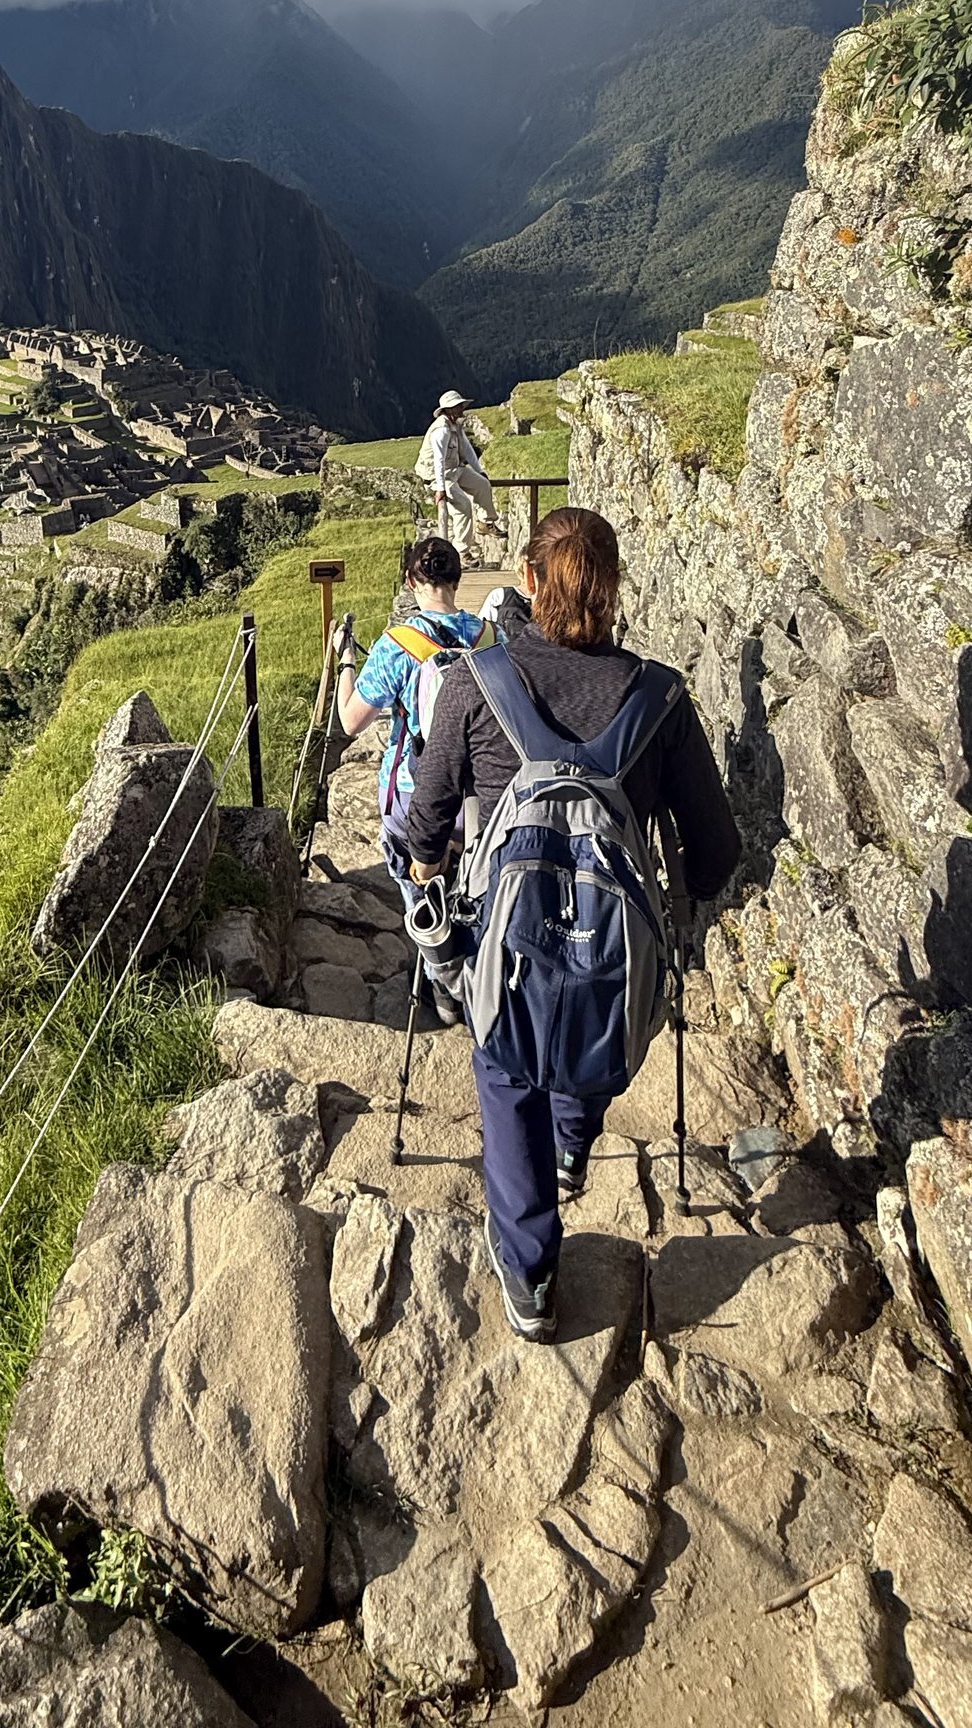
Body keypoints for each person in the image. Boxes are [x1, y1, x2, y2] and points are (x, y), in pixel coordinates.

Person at [403, 505, 739, 1342]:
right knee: (596, 1008)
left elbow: (426, 823)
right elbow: (715, 856)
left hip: (505, 943)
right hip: (610, 948)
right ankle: (573, 1138)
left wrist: (427, 886)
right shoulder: (660, 702)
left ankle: (530, 1272)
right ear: (615, 588)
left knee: (507, 1060)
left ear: (526, 581)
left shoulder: (478, 682)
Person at [334, 534, 490, 1023]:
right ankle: (483, 976)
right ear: (458, 580)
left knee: (419, 890)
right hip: (480, 798)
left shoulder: (398, 646)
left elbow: (350, 721)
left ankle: (443, 987)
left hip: (413, 797)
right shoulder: (490, 639)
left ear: (411, 582)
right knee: (476, 885)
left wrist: (346, 660)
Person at [415, 391, 504, 566]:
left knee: (482, 485)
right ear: (448, 410)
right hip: (436, 475)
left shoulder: (455, 426)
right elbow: (439, 461)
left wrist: (479, 471)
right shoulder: (441, 431)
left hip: (453, 469)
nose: (462, 409)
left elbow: (467, 449)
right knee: (463, 505)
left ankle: (485, 522)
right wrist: (441, 489)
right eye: (458, 406)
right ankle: (462, 552)